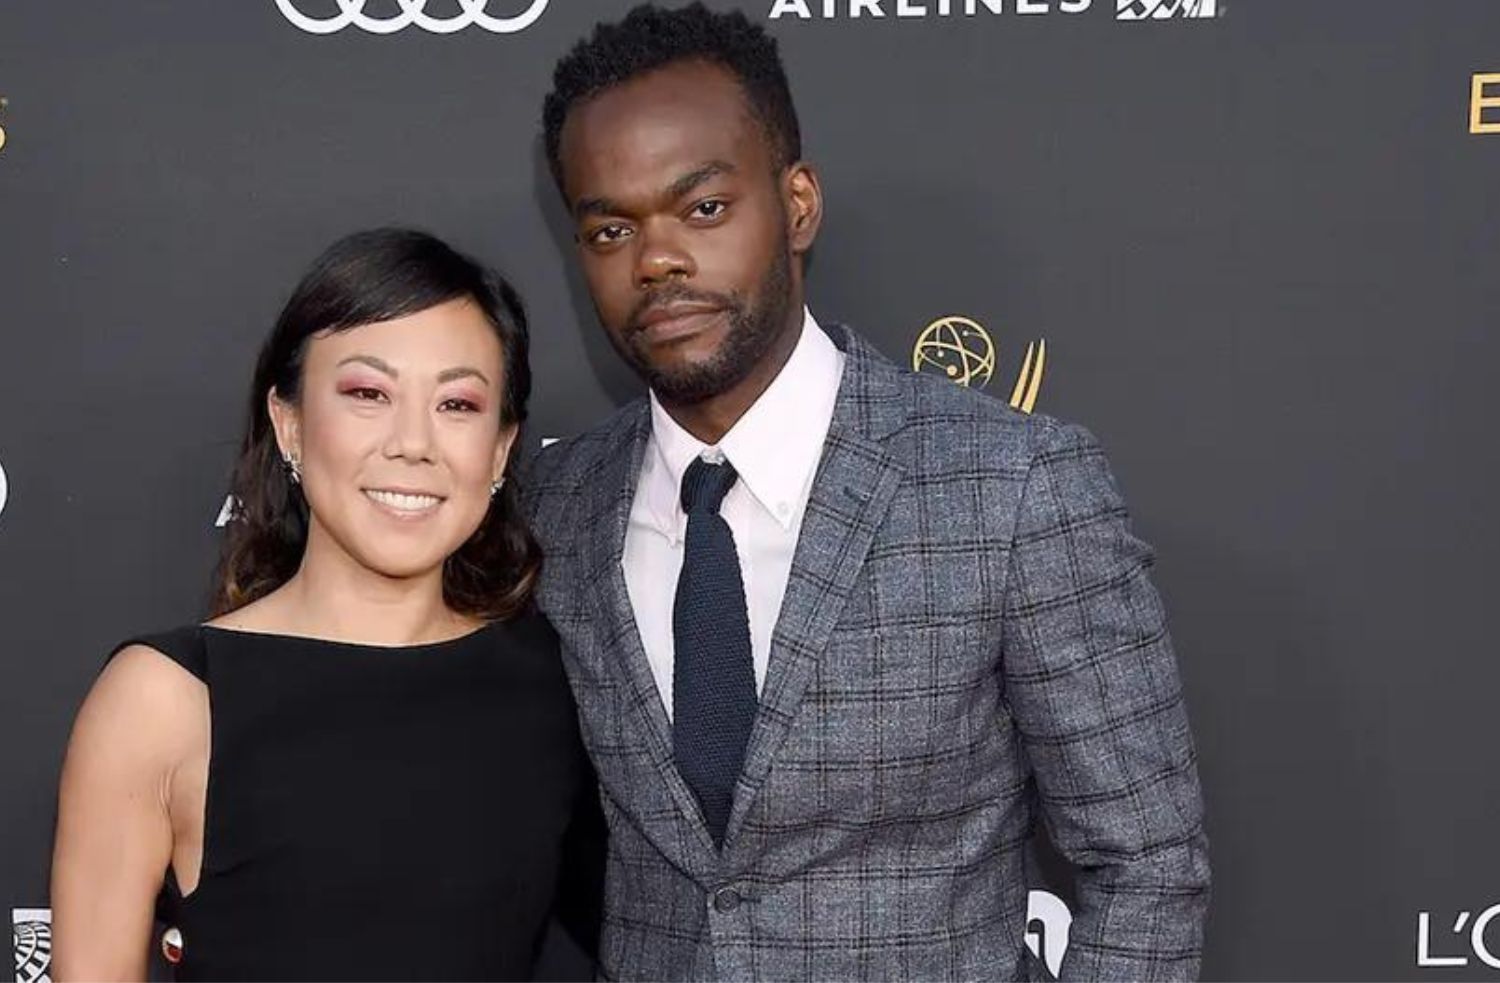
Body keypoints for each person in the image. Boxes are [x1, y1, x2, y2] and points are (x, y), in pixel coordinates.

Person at [524, 5, 1210, 980]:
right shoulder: (555, 505)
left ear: (797, 204)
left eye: (704, 207)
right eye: (609, 227)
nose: (658, 259)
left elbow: (1146, 858)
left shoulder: (1012, 487)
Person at [50, 229, 602, 981]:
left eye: (457, 403)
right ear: (290, 423)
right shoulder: (167, 698)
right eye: (368, 393)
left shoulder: (558, 678)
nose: (413, 442)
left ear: (502, 449)